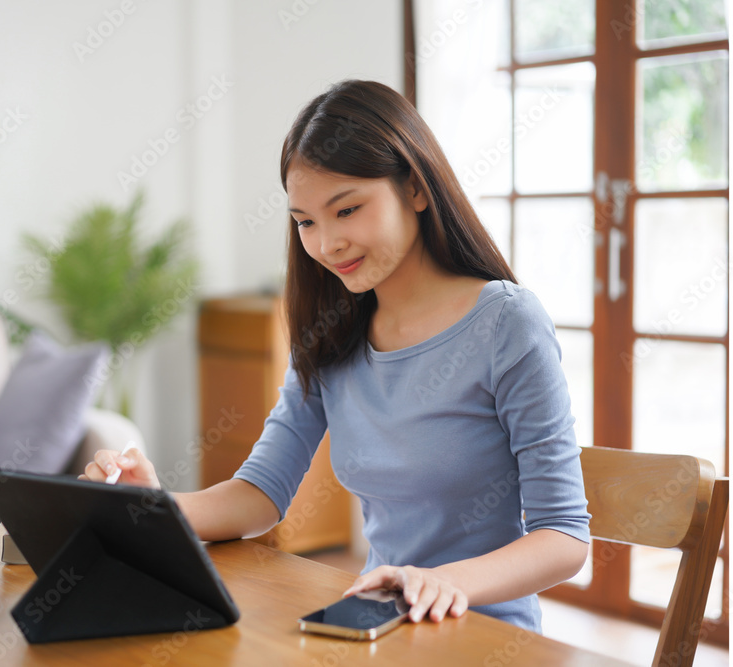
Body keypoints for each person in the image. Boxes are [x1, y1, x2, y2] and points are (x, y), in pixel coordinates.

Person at [80, 79, 590, 633]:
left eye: (347, 210)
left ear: (416, 188)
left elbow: (564, 536)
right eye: (306, 222)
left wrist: (448, 581)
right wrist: (152, 506)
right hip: (376, 625)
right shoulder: (333, 334)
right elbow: (260, 494)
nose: (326, 244)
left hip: (486, 635)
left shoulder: (506, 324)